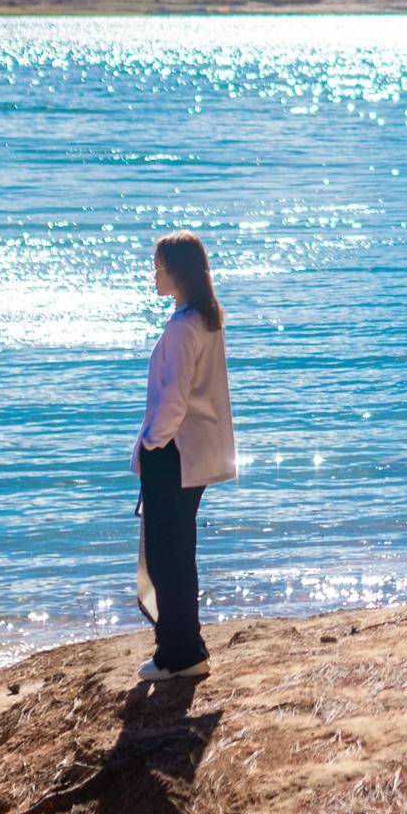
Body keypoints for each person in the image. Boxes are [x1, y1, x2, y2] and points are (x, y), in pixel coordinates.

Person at [134, 229, 236, 683]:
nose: (153, 274)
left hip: (173, 452)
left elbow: (174, 400)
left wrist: (153, 443)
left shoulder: (181, 328)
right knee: (179, 552)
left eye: (158, 266)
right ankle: (185, 646)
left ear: (176, 272)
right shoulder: (205, 318)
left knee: (165, 556)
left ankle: (177, 653)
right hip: (191, 453)